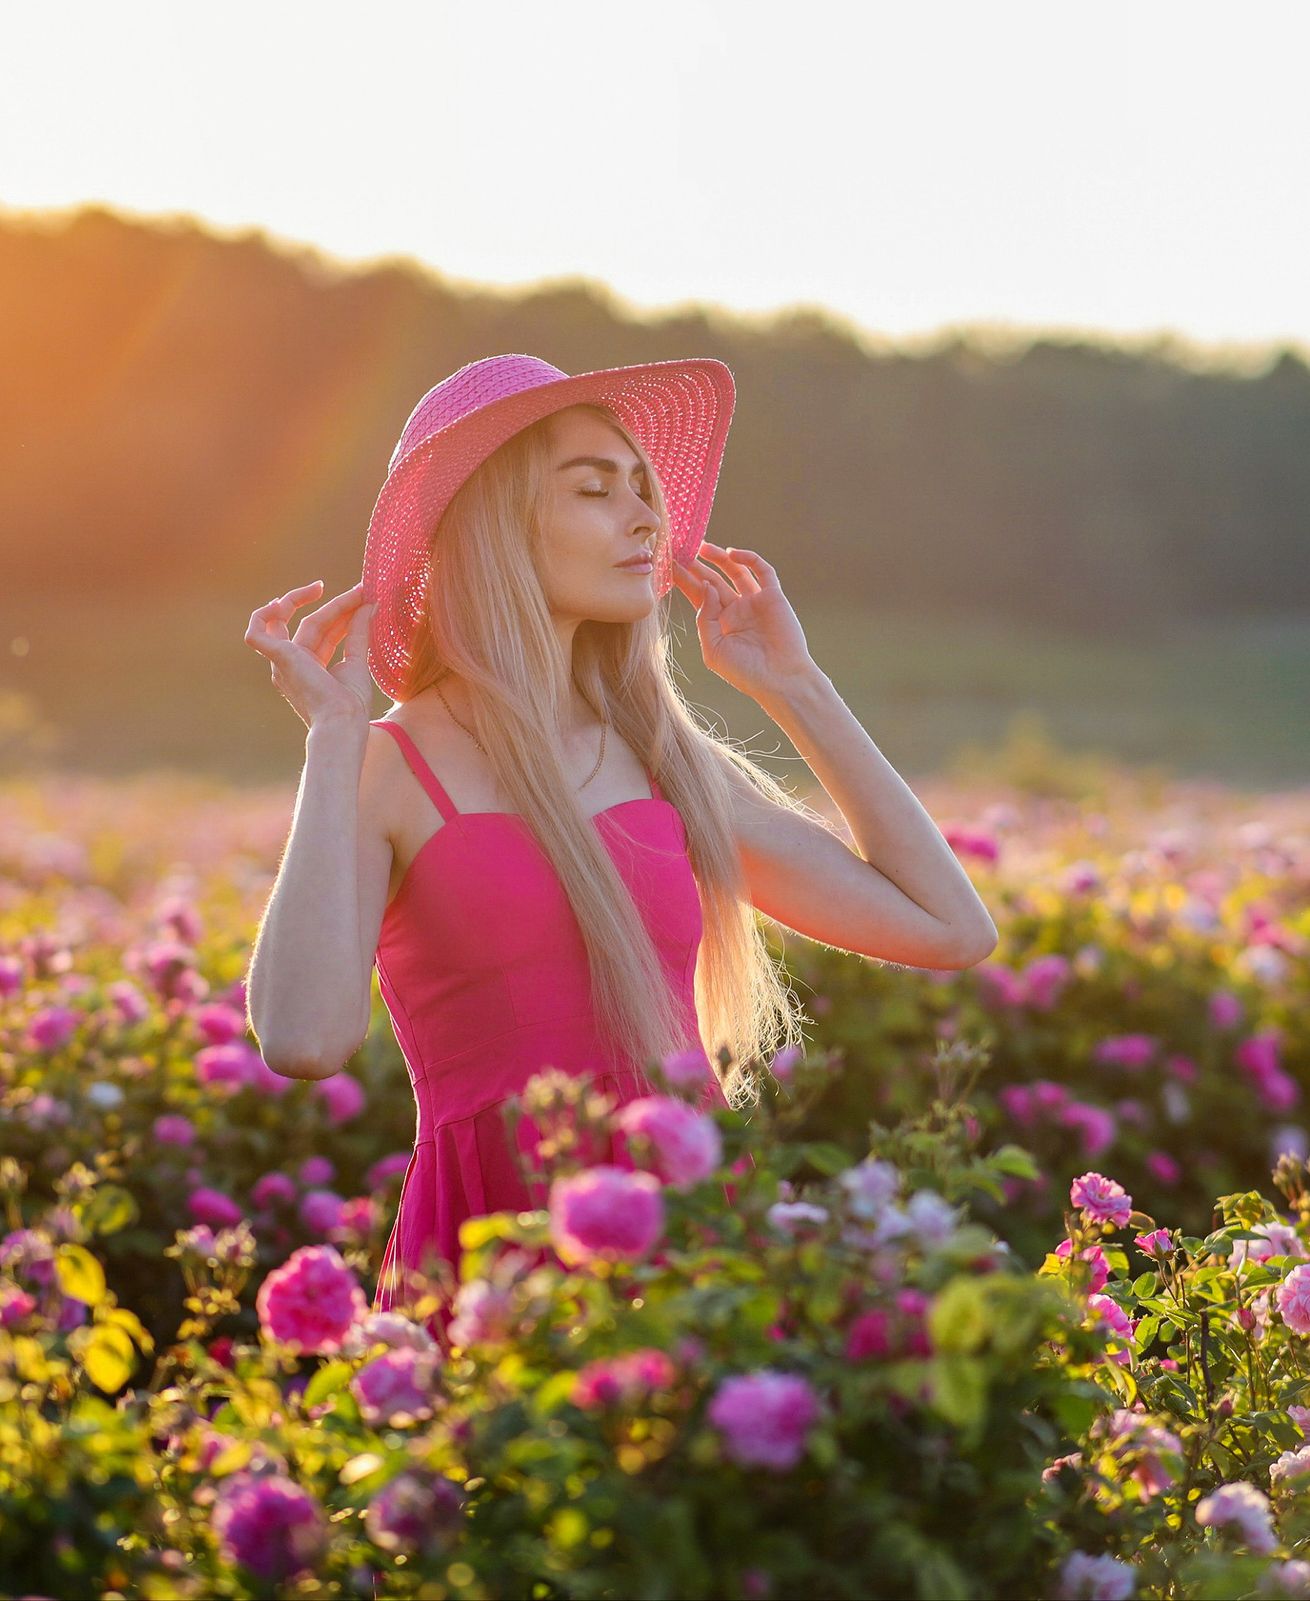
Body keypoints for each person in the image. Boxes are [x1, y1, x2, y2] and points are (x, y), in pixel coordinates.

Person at [240, 353, 997, 1306]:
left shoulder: (666, 763)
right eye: (596, 489)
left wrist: (798, 688)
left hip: (696, 1253)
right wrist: (334, 739)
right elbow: (304, 1038)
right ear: (494, 522)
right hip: (493, 1260)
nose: (647, 517)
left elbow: (950, 930)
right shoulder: (387, 765)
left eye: (646, 488)